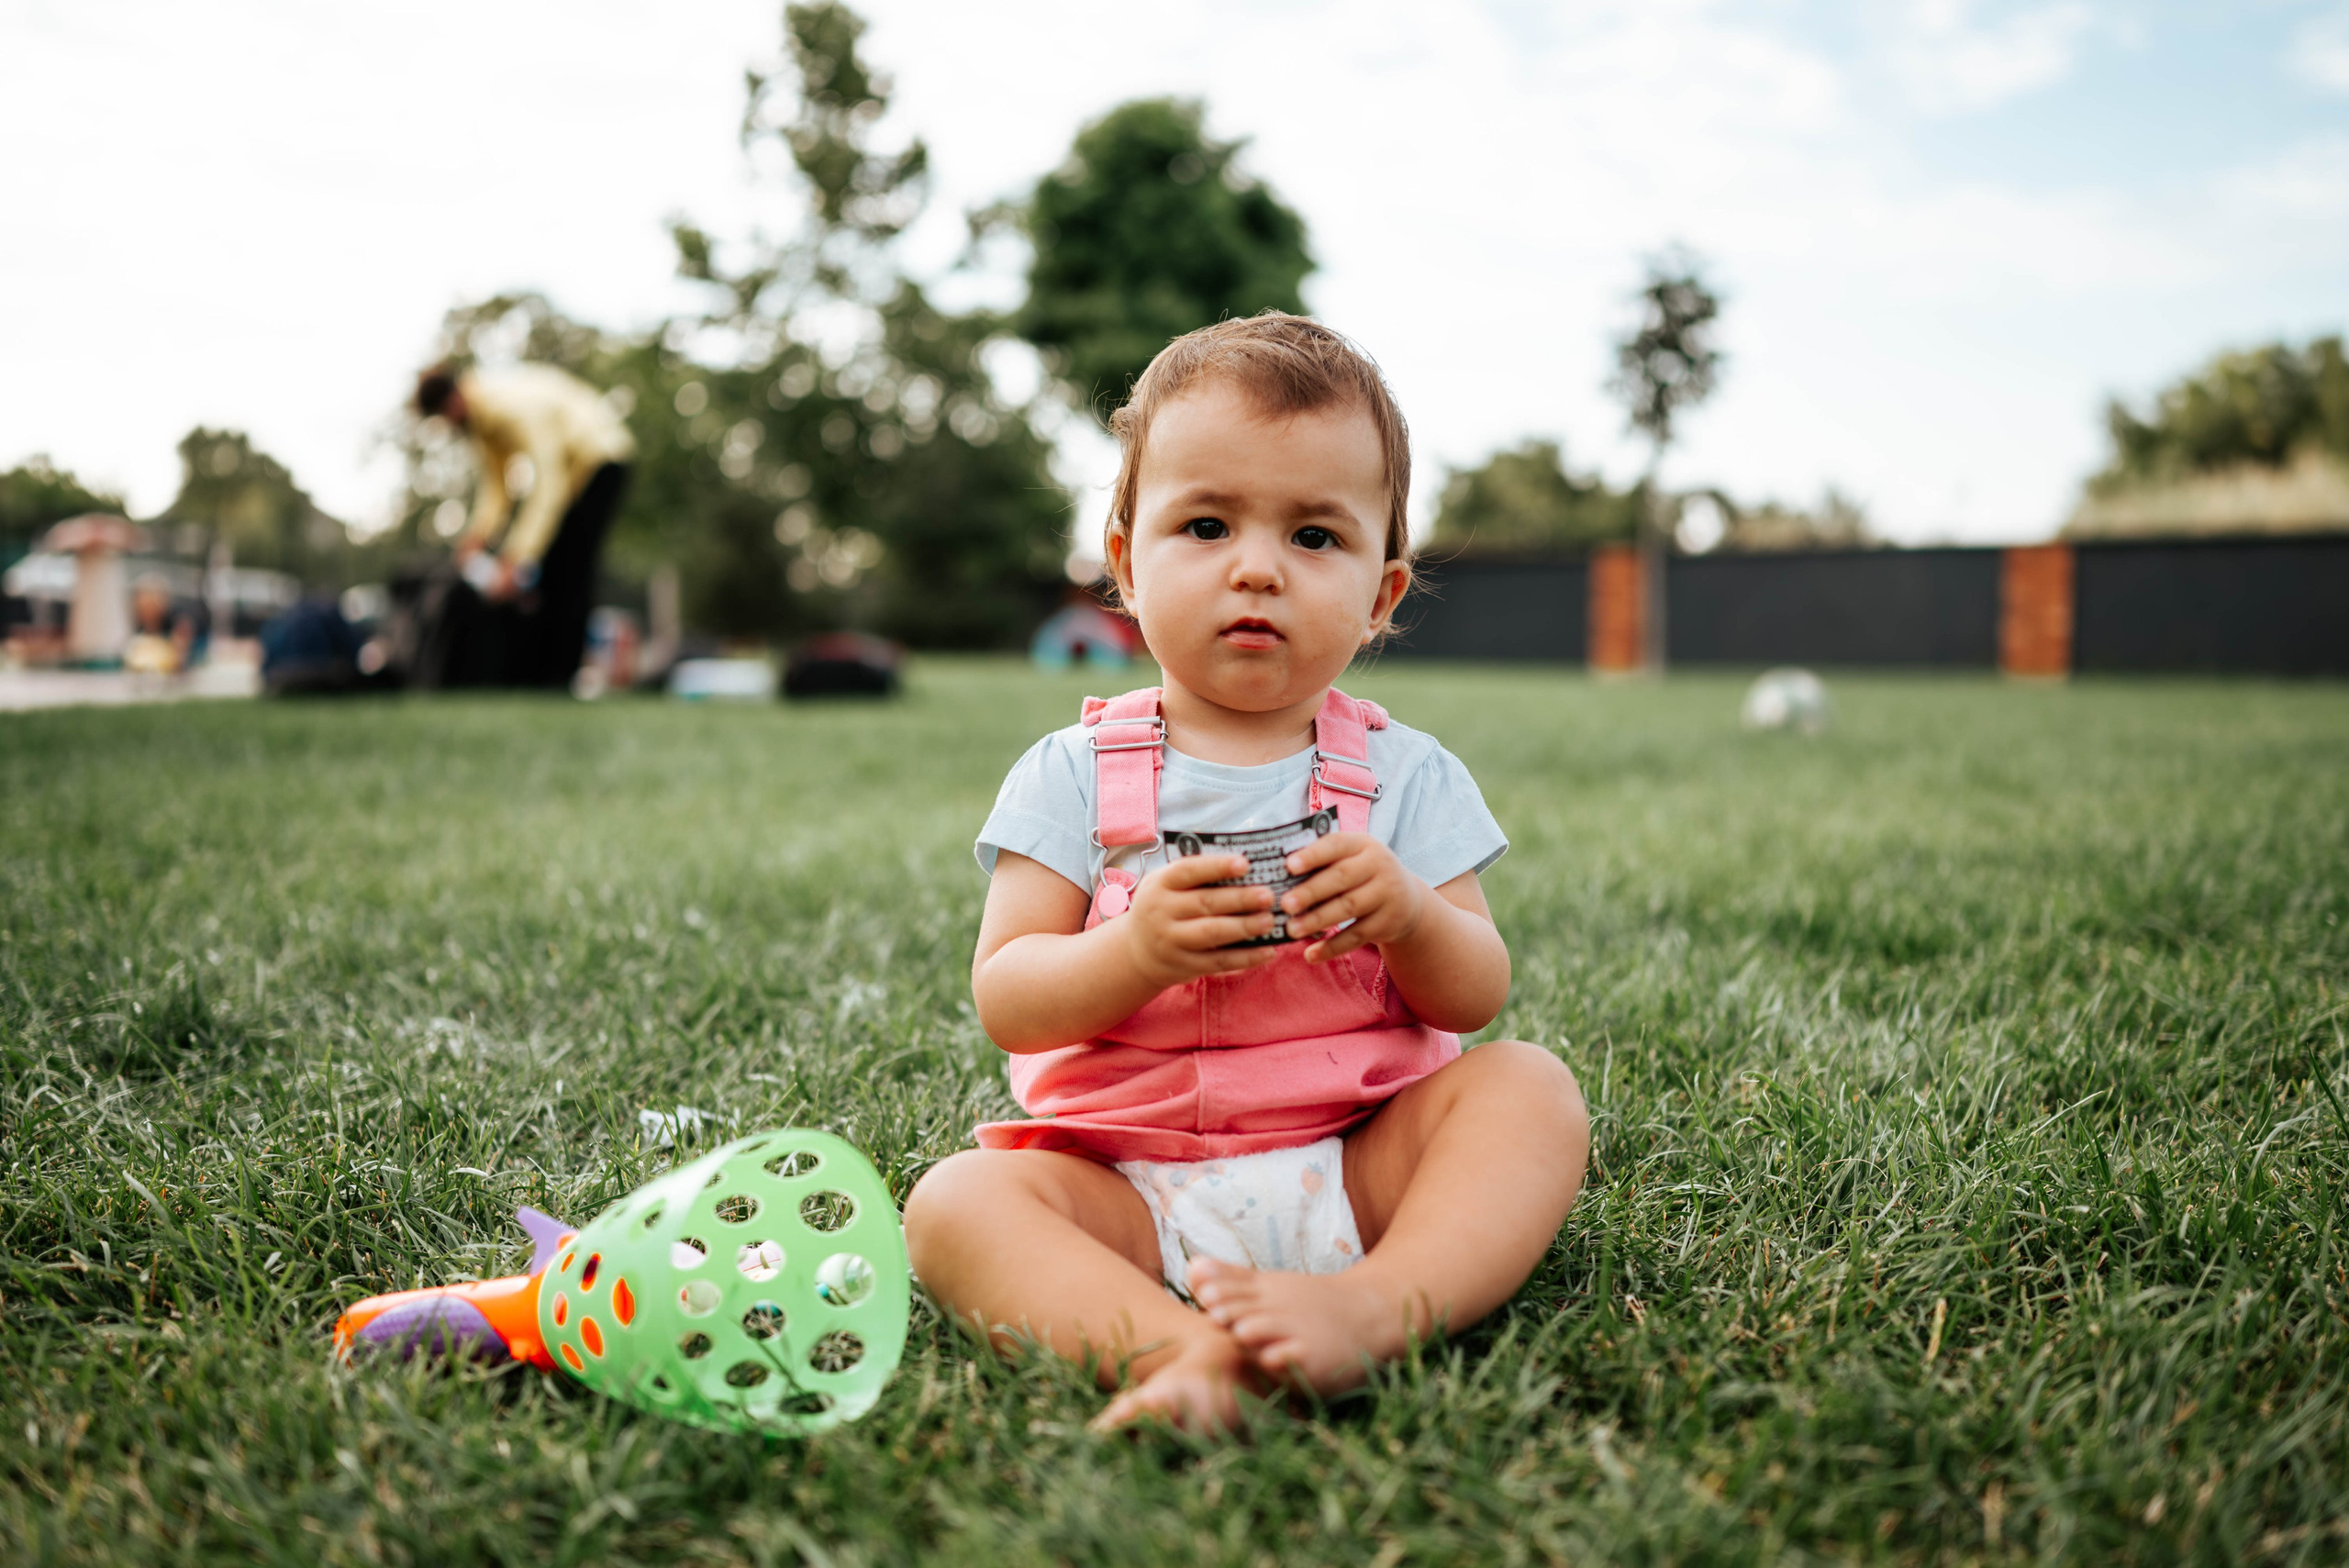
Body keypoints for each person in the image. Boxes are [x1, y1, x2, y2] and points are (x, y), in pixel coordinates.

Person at [904, 314, 1590, 1433]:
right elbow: (1008, 994)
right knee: (955, 1203)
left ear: (1381, 591)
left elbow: (1473, 993)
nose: (1258, 567)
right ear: (1126, 563)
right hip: (1122, 1185)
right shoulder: (1070, 775)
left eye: (1316, 535)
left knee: (1528, 1091)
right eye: (1208, 523)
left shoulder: (1408, 776)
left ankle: (1371, 1305)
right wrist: (1130, 953)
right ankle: (1188, 1355)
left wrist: (1409, 917)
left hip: (1364, 1166)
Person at [409, 362, 635, 688]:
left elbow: (548, 485)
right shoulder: (482, 424)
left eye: (445, 417)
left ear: (453, 400)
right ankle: (543, 676)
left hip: (601, 459)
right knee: (554, 571)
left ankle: (559, 678)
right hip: (573, 474)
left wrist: (516, 559)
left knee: (569, 570)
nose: (449, 424)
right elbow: (497, 489)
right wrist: (476, 537)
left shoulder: (511, 407)